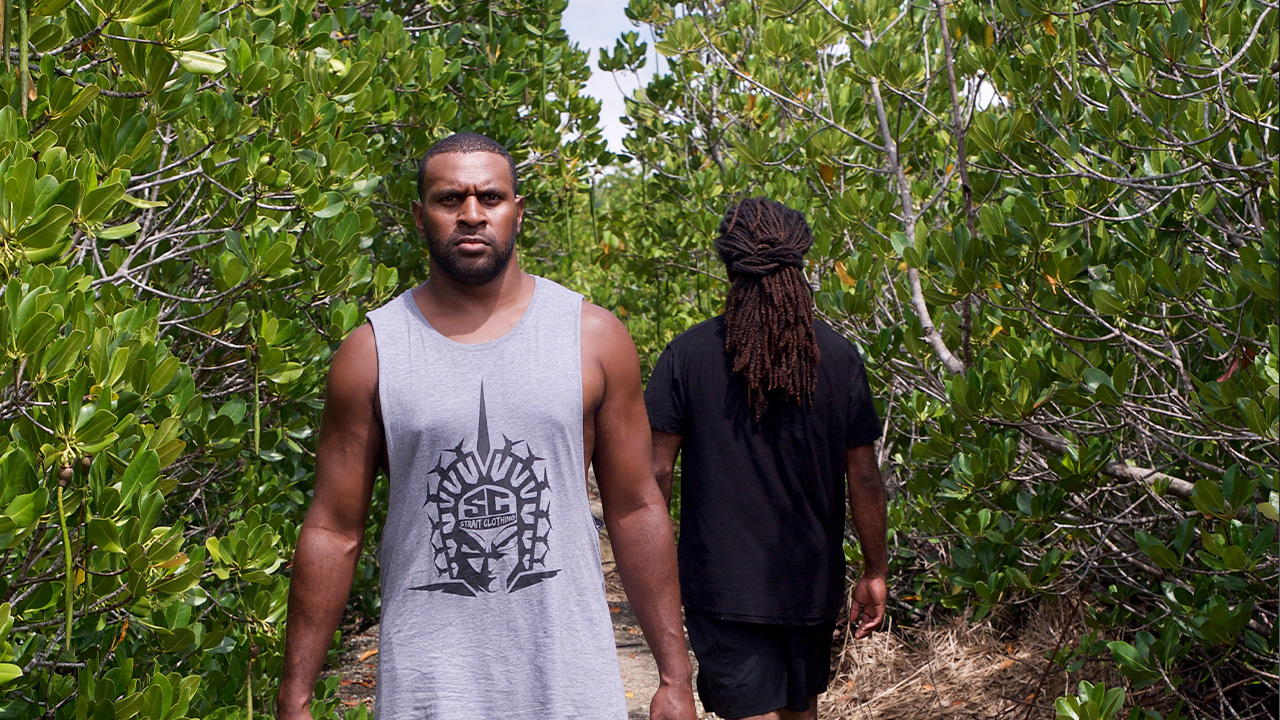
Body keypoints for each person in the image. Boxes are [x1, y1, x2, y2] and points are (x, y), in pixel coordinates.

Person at [276, 132, 696, 719]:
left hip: (569, 679)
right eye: (450, 200)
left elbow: (635, 508)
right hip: (428, 685)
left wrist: (675, 677)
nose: (472, 215)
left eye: (490, 198)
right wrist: (294, 698)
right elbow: (332, 529)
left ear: (517, 212)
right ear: (420, 216)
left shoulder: (593, 337)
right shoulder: (372, 351)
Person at [645, 197, 889, 720]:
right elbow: (864, 478)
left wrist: (653, 567)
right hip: (809, 583)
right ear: (799, 262)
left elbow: (656, 472)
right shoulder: (839, 357)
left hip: (721, 584)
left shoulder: (686, 355)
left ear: (729, 266)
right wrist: (875, 569)